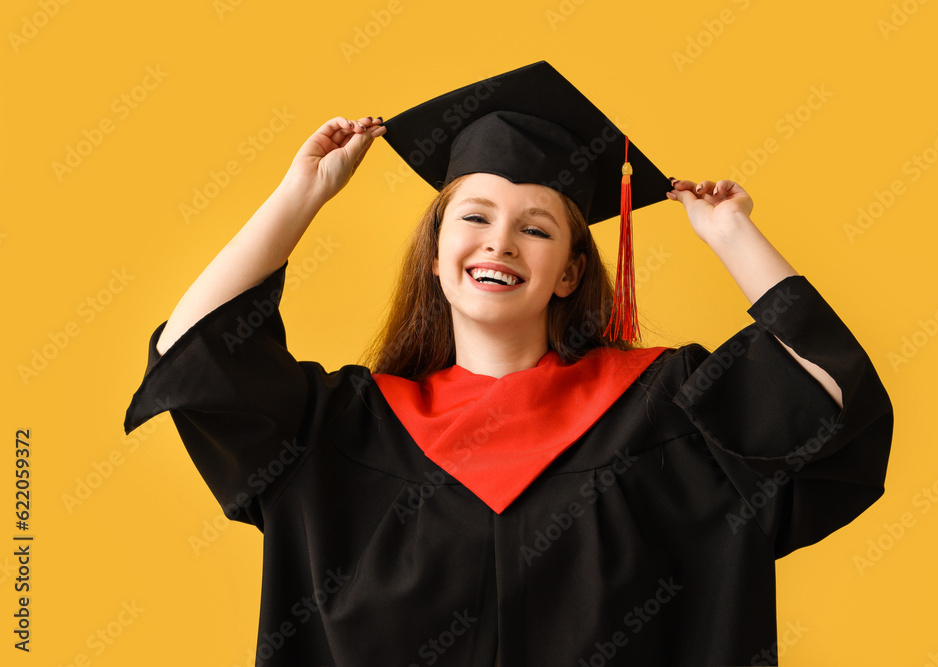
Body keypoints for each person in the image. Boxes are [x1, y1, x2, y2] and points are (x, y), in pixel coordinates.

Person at [123, 61, 892, 666]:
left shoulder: (662, 410)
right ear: (434, 253)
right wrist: (304, 192)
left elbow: (830, 391)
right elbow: (193, 349)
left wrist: (733, 236)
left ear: (568, 272)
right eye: (475, 217)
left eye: (536, 228)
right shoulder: (342, 432)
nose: (499, 243)